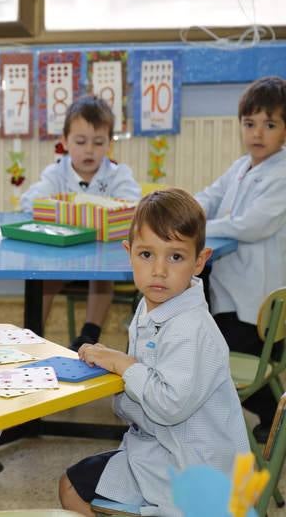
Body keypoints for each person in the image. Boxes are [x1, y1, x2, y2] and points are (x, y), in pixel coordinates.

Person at [60, 189, 249, 516]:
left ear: (199, 261)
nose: (159, 270)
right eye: (147, 255)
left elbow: (169, 404)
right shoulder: (154, 307)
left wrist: (123, 364)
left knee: (71, 488)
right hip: (163, 446)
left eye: (175, 257)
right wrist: (114, 363)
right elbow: (148, 374)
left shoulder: (191, 327)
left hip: (193, 466)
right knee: (70, 484)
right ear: (129, 252)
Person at [195, 76, 286, 443]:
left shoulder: (281, 173)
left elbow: (252, 225)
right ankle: (268, 415)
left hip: (257, 307)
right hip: (235, 295)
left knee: (216, 354)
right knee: (211, 339)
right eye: (250, 124)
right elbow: (209, 195)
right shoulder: (241, 167)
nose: (257, 133)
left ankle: (271, 416)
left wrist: (202, 225)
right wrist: (190, 212)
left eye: (270, 124)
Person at [21, 96, 141, 351]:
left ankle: (89, 334)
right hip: (62, 260)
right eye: (80, 141)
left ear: (110, 143)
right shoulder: (56, 173)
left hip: (101, 259)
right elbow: (29, 202)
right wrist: (69, 210)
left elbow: (134, 204)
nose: (89, 150)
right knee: (44, 281)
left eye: (98, 142)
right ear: (64, 142)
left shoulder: (118, 174)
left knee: (102, 278)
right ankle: (32, 336)